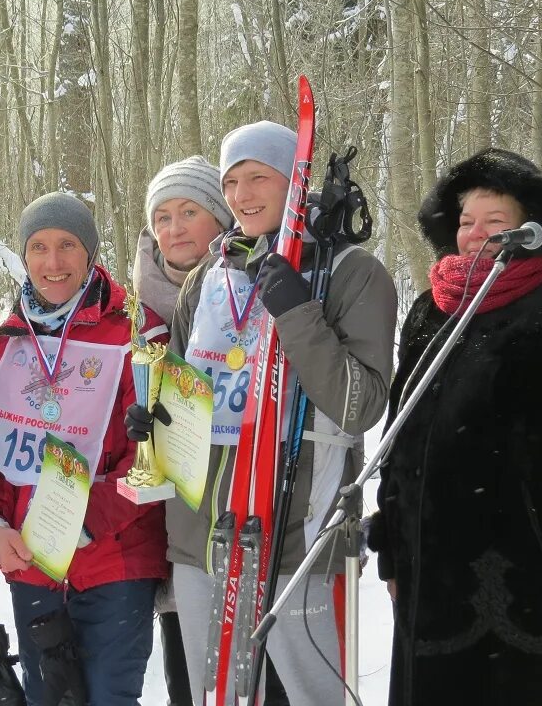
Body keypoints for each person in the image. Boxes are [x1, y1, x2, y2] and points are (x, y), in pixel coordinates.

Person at [129, 121, 398, 705]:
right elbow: (186, 386)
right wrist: (154, 419)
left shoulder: (354, 272)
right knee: (214, 694)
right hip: (204, 530)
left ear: (295, 181)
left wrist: (298, 313)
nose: (242, 195)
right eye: (231, 182)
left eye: (258, 178)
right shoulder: (210, 275)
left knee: (309, 692)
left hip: (295, 528)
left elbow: (361, 406)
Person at [368, 148, 542, 705]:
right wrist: (395, 556)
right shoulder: (432, 312)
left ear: (531, 230)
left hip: (539, 587)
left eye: (495, 222)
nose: (476, 234)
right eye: (466, 222)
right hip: (436, 589)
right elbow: (403, 441)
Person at [0, 192, 170, 706]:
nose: (52, 262)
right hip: (31, 558)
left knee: (107, 697)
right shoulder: (7, 343)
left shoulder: (136, 331)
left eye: (67, 245)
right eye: (38, 247)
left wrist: (86, 522)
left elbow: (155, 455)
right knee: (47, 698)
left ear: (91, 253)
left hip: (114, 558)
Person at [134, 155, 229, 706]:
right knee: (187, 678)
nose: (173, 228)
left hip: (242, 506)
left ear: (219, 217)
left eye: (189, 212)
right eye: (162, 216)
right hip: (169, 525)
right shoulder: (131, 309)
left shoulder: (247, 290)